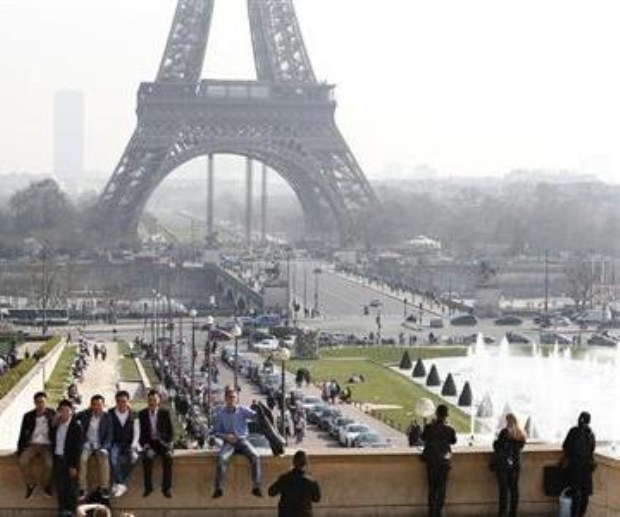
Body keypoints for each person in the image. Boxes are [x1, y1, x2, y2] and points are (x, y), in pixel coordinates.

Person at [212, 385, 262, 498]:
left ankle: (256, 487)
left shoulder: (242, 410)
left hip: (242, 441)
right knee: (221, 458)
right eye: (230, 397)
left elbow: (255, 417)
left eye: (234, 397)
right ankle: (218, 488)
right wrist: (226, 437)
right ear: (225, 399)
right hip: (229, 443)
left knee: (255, 456)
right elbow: (216, 432)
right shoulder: (220, 414)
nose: (232, 399)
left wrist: (260, 410)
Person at [17, 391, 55, 499]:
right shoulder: (28, 416)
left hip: (47, 444)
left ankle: (46, 485)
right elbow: (22, 433)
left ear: (46, 402)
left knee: (49, 464)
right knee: (23, 460)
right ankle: (31, 484)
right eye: (38, 402)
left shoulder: (52, 413)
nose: (40, 404)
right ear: (34, 403)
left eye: (42, 402)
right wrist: (20, 449)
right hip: (33, 444)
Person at [421, 404, 457, 517]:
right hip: (444, 462)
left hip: (432, 462)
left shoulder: (429, 427)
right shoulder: (450, 429)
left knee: (432, 488)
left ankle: (432, 512)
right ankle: (438, 512)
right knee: (441, 488)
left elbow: (422, 437)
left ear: (436, 414)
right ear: (446, 416)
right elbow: (453, 441)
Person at [138, 389, 174, 498]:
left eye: (154, 400)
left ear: (159, 401)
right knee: (147, 458)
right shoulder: (142, 414)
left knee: (168, 458)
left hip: (162, 443)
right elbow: (141, 434)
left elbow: (171, 432)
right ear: (147, 401)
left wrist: (170, 444)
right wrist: (145, 445)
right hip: (150, 443)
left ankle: (166, 488)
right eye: (150, 400)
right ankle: (148, 487)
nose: (152, 402)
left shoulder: (165, 413)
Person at [76, 394, 113, 501]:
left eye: (99, 405)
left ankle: (104, 488)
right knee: (82, 460)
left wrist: (105, 447)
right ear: (91, 405)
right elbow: (73, 417)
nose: (97, 407)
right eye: (94, 405)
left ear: (103, 405)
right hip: (87, 444)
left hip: (100, 444)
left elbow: (110, 435)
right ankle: (82, 488)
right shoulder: (86, 414)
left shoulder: (107, 417)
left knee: (105, 460)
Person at [52, 399, 84, 517]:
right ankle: (62, 511)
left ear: (71, 412)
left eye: (67, 410)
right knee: (60, 487)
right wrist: (54, 423)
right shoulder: (56, 425)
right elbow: (51, 440)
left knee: (71, 488)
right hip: (58, 459)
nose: (64, 413)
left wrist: (74, 466)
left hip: (69, 462)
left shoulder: (76, 427)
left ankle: (71, 512)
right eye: (62, 410)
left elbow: (78, 449)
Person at [562, 411, 596, 516]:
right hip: (586, 467)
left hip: (575, 467)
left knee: (575, 492)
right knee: (585, 493)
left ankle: (574, 514)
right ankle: (581, 514)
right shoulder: (591, 433)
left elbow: (565, 446)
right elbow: (592, 449)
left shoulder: (573, 431)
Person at [268, 450, 321, 517]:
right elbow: (316, 499)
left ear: (293, 462)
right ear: (305, 464)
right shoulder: (311, 481)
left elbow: (271, 492)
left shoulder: (285, 478)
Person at [493, 413, 527, 517]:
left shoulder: (504, 432)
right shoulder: (521, 434)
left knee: (504, 490)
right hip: (515, 464)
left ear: (508, 421)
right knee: (514, 489)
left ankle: (502, 513)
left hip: (504, 465)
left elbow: (497, 446)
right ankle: (513, 513)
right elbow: (519, 448)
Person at [109, 390, 140, 498]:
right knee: (113, 459)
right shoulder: (110, 413)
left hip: (129, 443)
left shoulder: (134, 414)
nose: (122, 404)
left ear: (128, 401)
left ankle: (118, 482)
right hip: (116, 443)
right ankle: (121, 483)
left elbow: (137, 432)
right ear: (116, 402)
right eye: (119, 401)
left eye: (124, 401)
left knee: (134, 459)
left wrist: (133, 445)